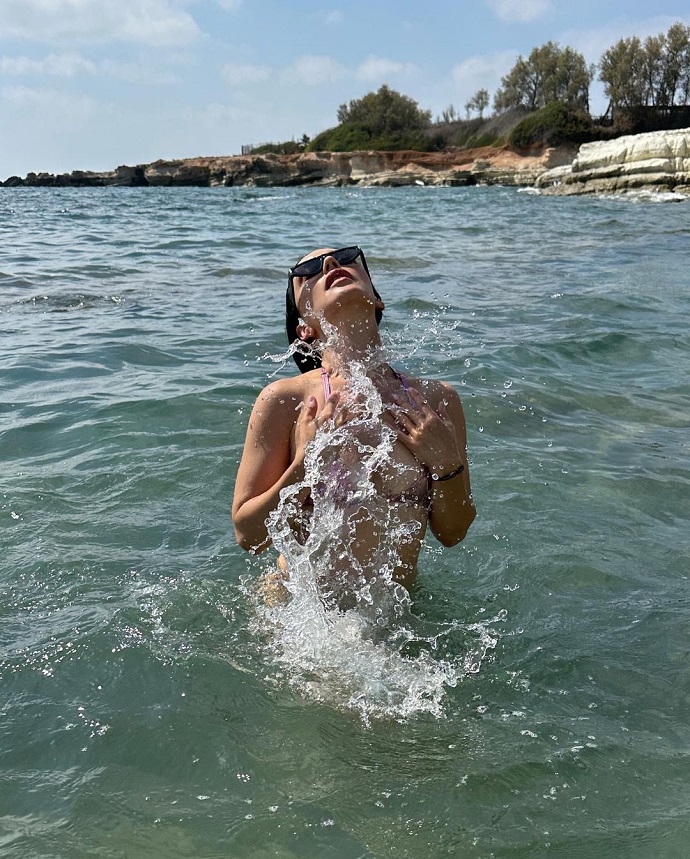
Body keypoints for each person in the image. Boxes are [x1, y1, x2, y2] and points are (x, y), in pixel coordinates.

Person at [232, 245, 476, 604]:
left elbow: (453, 532)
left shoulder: (436, 401)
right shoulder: (287, 401)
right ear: (304, 327)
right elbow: (249, 537)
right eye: (310, 270)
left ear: (377, 300)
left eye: (347, 258)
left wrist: (447, 464)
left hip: (392, 617)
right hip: (298, 618)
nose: (331, 264)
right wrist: (304, 467)